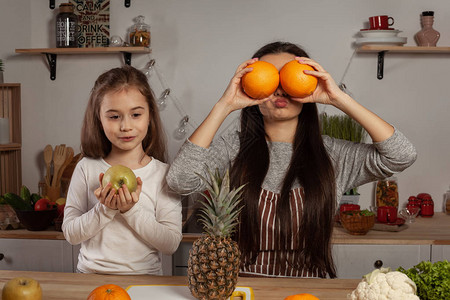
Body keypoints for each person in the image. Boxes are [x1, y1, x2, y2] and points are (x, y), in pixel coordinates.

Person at [166, 41, 417, 278]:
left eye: (288, 76)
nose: (279, 87)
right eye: (269, 76)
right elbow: (180, 180)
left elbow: (401, 155)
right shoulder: (233, 148)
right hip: (242, 287)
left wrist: (337, 98)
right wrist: (225, 104)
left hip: (309, 287)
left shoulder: (333, 155)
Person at [63, 65, 182, 275]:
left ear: (150, 115)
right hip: (90, 279)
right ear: (99, 119)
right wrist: (105, 209)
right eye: (114, 116)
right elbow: (71, 234)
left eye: (136, 114)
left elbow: (170, 243)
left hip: (145, 281)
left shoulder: (162, 174)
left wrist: (130, 210)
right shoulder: (86, 167)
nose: (126, 126)